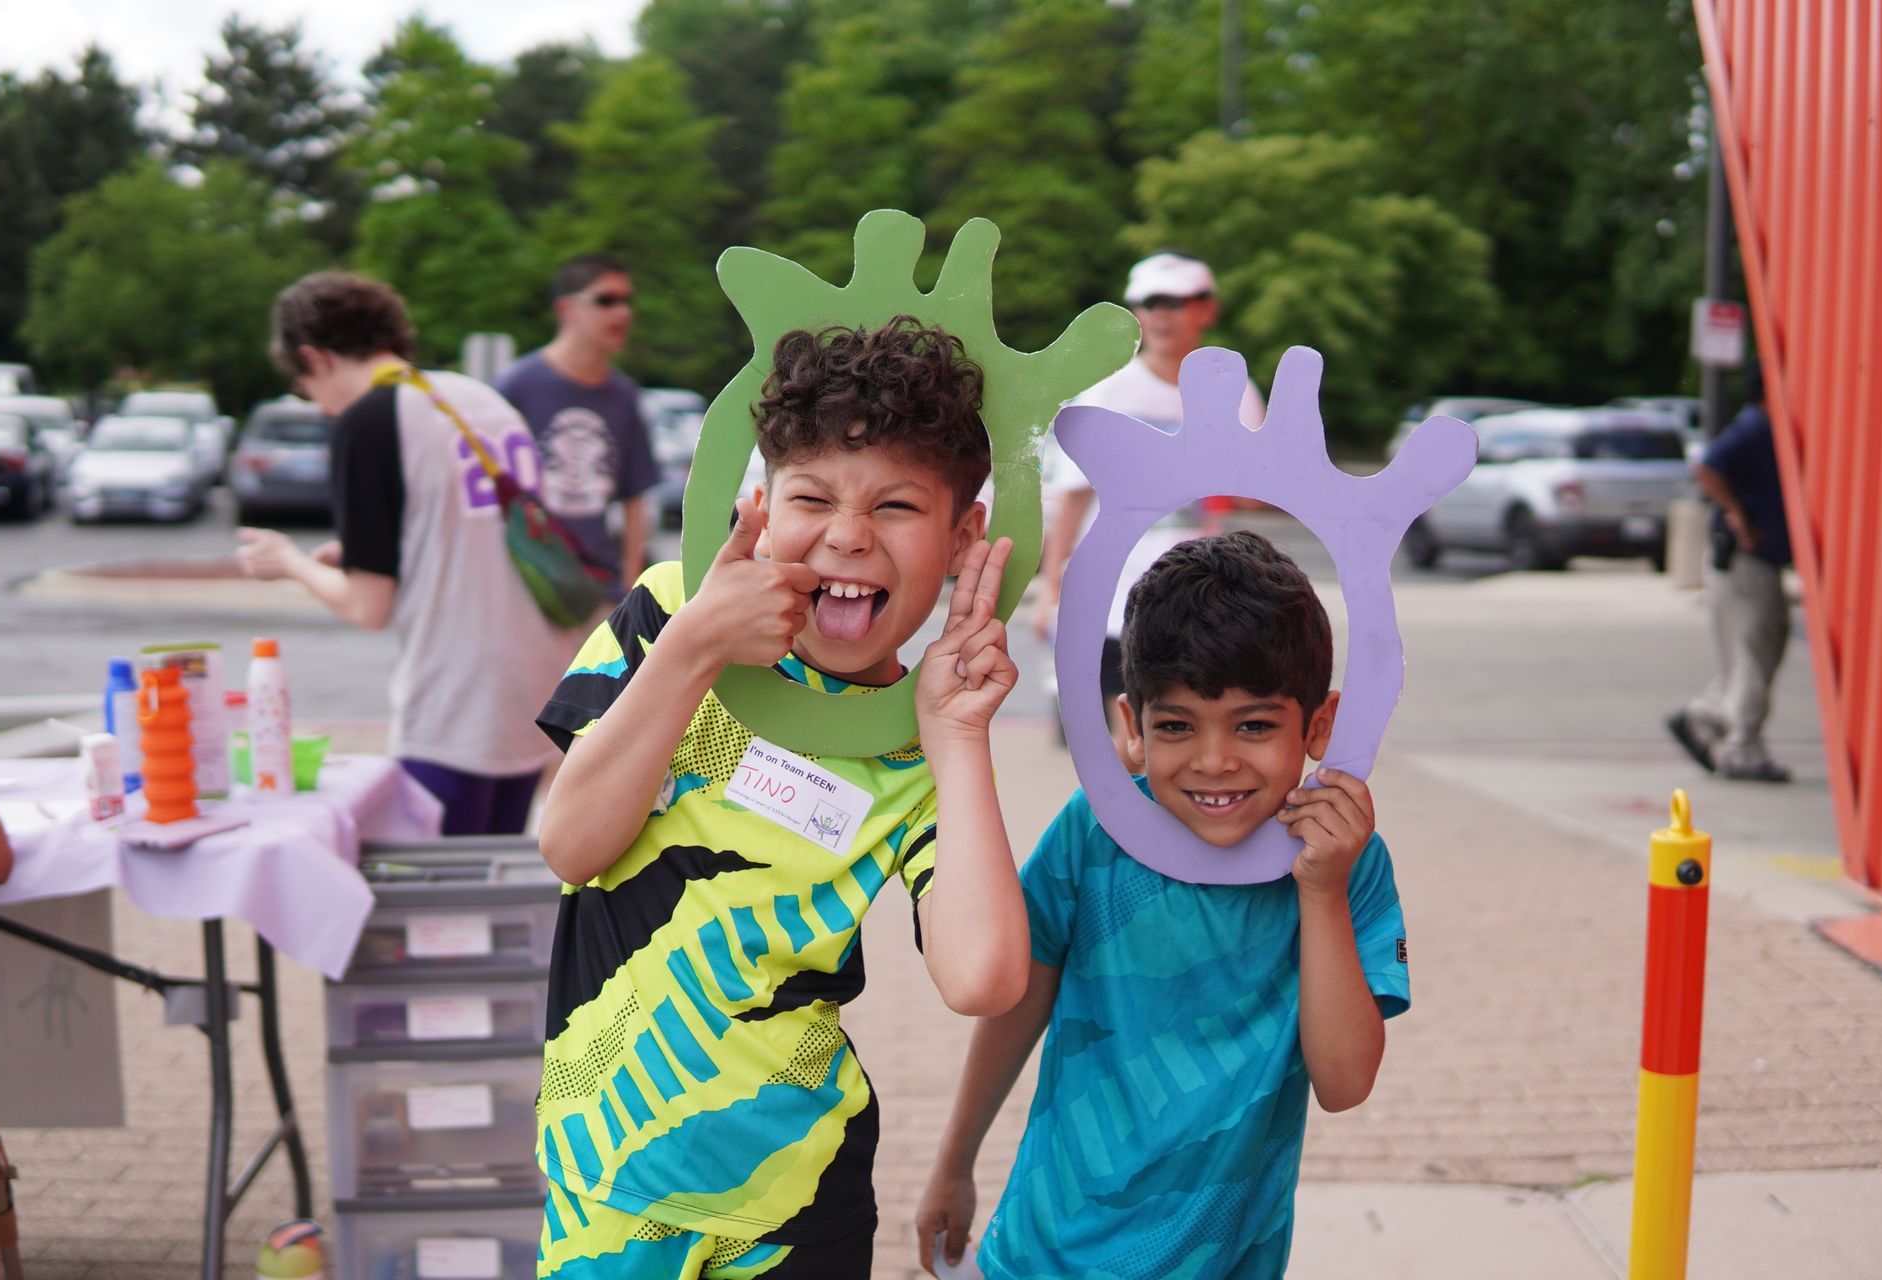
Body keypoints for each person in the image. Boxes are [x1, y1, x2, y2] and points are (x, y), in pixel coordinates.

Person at [530, 317, 1032, 1277]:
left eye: (896, 507)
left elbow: (983, 980)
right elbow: (571, 845)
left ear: (964, 536)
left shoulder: (918, 732)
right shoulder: (669, 613)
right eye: (812, 497)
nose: (847, 536)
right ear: (760, 504)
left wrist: (958, 738)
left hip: (802, 1200)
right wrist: (692, 649)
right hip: (608, 1180)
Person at [918, 532, 1409, 1280]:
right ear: (1132, 728)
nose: (1215, 760)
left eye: (1254, 724)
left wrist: (1323, 891)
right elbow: (1017, 1006)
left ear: (1317, 725)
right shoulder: (1094, 831)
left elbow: (1344, 1084)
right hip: (1045, 1253)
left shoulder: (1346, 860)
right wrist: (954, 1161)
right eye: (1177, 725)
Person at [237, 271, 575, 835]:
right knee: (492, 890)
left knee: (442, 911)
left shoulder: (368, 420)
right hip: (532, 684)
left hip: (453, 702)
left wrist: (288, 563)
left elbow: (368, 607)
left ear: (314, 357)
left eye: (306, 389)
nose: (320, 409)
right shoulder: (475, 399)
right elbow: (475, 529)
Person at [1034, 252, 1266, 762]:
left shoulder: (1235, 391)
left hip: (1205, 598)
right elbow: (1071, 500)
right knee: (1128, 744)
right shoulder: (1107, 392)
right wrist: (1051, 591)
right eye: (1149, 303)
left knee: (1183, 733)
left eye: (1177, 302)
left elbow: (1254, 495)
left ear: (1207, 309)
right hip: (1115, 599)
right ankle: (1121, 836)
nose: (1162, 314)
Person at [496, 254, 661, 598]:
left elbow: (635, 499)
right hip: (526, 583)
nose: (623, 312)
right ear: (566, 309)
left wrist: (630, 587)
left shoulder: (623, 395)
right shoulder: (516, 386)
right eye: (606, 300)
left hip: (596, 584)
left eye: (627, 301)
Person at [1666, 368, 1794, 783]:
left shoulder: (1760, 426)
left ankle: (1705, 717)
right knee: (1756, 650)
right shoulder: (1758, 426)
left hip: (1748, 559)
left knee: (1756, 649)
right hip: (1747, 559)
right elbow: (1707, 466)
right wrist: (1737, 514)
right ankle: (1742, 748)